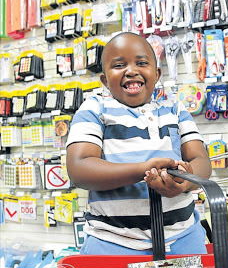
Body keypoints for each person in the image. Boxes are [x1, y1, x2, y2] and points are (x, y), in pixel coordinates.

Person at [66, 32, 212, 256]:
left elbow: (201, 161)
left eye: (141, 63)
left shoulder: (175, 110)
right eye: (119, 65)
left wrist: (186, 182)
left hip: (183, 236)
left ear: (156, 74)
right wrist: (142, 170)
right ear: (105, 80)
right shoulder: (94, 109)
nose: (131, 70)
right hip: (112, 242)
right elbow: (79, 168)